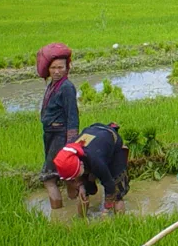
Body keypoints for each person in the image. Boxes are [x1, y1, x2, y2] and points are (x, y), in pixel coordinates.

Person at [53, 123, 129, 216]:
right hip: (94, 138)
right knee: (84, 193)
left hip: (111, 142)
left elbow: (110, 185)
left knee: (117, 193)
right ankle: (81, 220)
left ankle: (121, 222)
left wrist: (105, 210)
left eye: (75, 176)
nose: (74, 180)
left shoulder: (96, 161)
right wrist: (81, 186)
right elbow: (72, 177)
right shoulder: (69, 154)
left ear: (80, 164)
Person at [38, 45, 79, 210]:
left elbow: (72, 115)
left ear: (67, 68)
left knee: (48, 177)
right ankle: (75, 203)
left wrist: (71, 144)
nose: (56, 71)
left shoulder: (66, 87)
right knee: (66, 174)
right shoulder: (53, 85)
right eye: (53, 68)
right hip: (50, 134)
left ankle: (58, 215)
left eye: (60, 67)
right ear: (48, 69)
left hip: (60, 136)